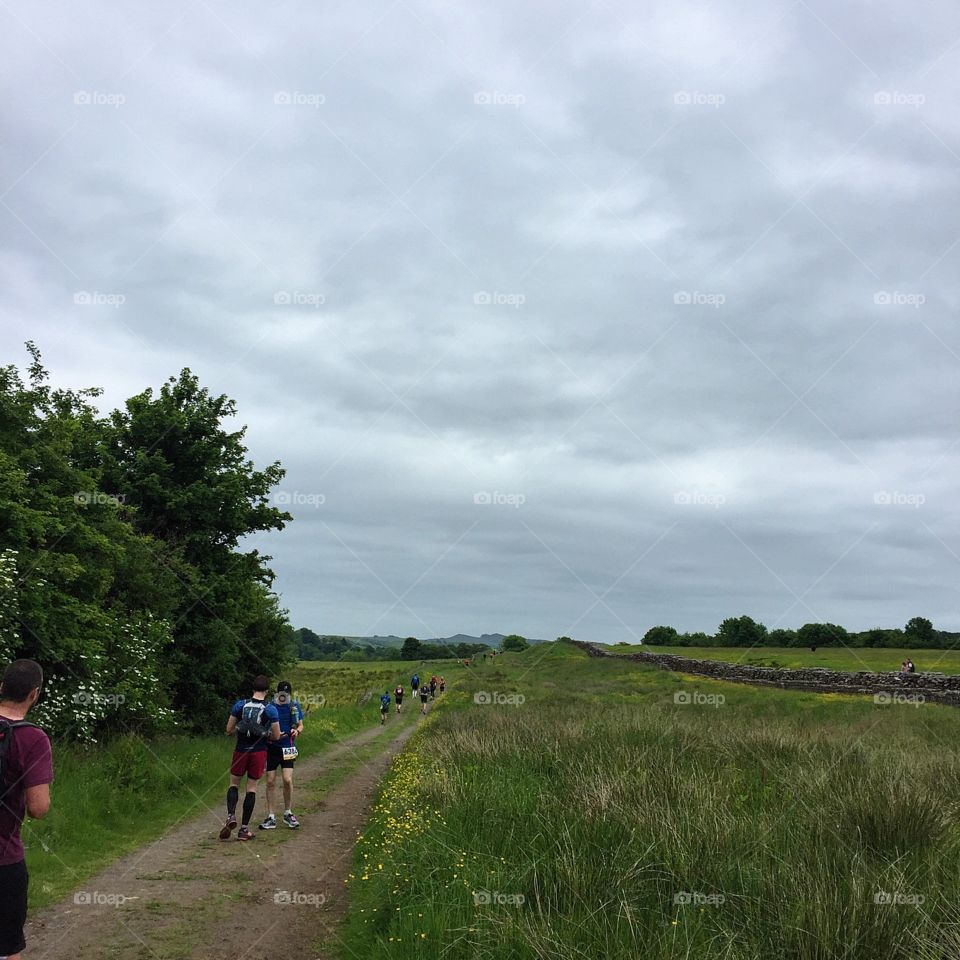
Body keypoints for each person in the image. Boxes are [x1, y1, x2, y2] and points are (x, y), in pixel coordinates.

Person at [0, 660, 53, 960]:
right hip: (5, 861)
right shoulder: (33, 738)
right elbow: (39, 808)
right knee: (8, 949)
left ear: (1, 688)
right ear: (34, 694)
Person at [221, 675, 281, 842]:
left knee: (234, 783)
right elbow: (276, 736)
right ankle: (244, 829)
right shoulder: (270, 709)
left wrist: (241, 730)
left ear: (252, 689)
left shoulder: (240, 705)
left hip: (240, 750)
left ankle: (231, 815)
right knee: (251, 787)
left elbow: (229, 729)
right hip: (259, 752)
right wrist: (264, 733)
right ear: (267, 691)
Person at [259, 681, 303, 831]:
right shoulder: (270, 707)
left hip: (288, 746)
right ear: (277, 693)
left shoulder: (294, 706)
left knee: (287, 779)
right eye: (282, 693)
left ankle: (288, 812)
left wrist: (297, 731)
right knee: (270, 781)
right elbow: (263, 725)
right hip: (272, 747)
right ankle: (271, 816)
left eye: (287, 694)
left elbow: (300, 725)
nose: (284, 696)